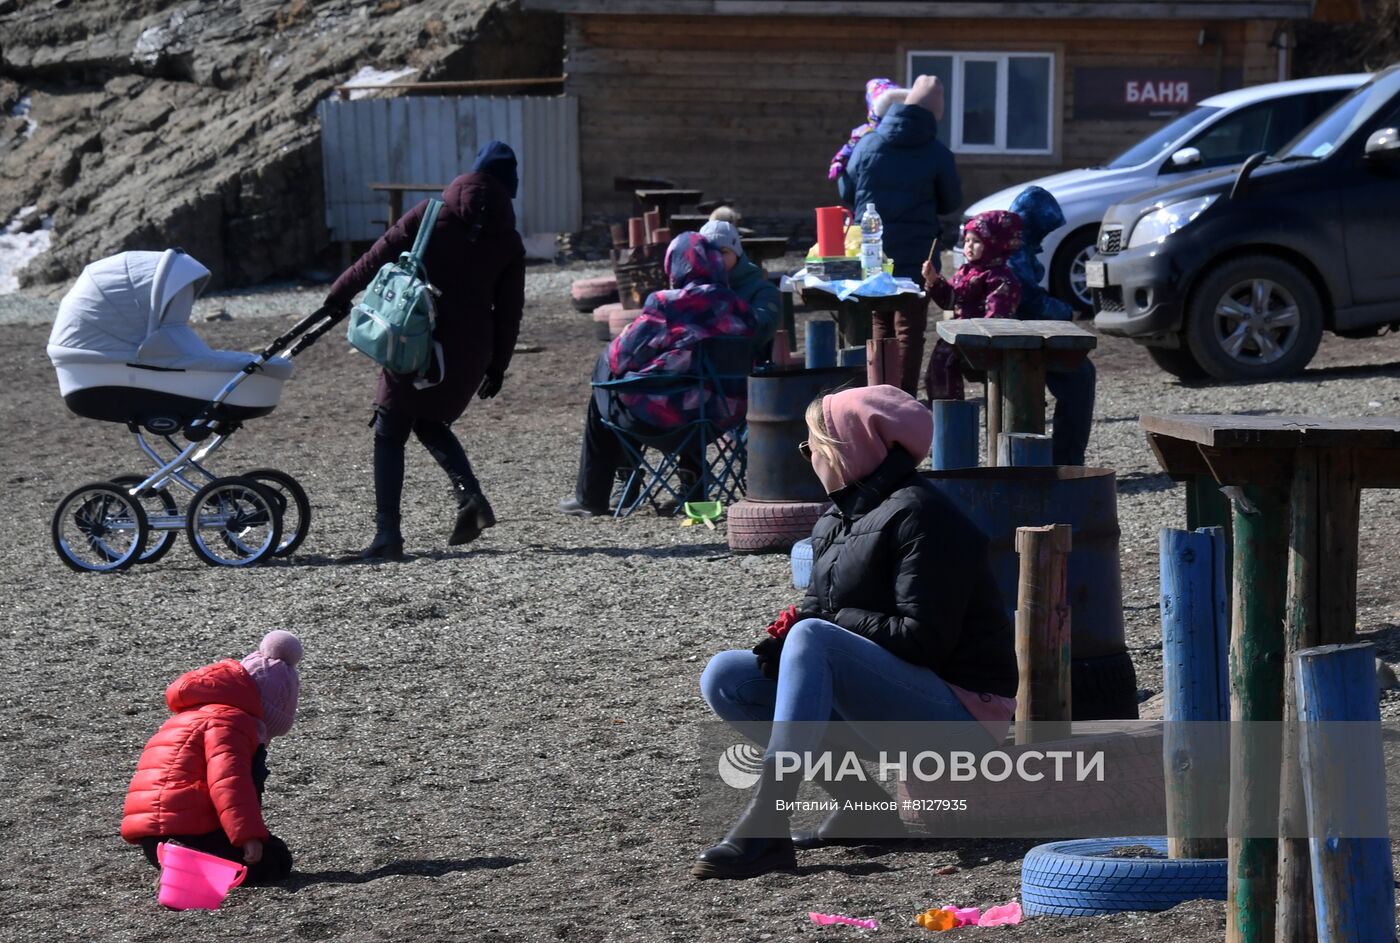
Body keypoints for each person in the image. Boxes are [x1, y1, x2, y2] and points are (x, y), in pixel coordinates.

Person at [695, 386, 1017, 879]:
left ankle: (767, 822)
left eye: (811, 445)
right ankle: (865, 808)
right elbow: (816, 611)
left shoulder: (925, 516)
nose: (807, 457)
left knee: (814, 638)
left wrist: (822, 627)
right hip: (894, 704)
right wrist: (782, 646)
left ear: (845, 448)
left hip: (964, 718)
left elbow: (922, 640)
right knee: (728, 676)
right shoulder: (836, 518)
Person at [317, 140, 526, 561]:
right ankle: (471, 499)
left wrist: (338, 294)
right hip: (469, 351)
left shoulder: (430, 214)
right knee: (429, 420)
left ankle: (387, 536)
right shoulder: (509, 240)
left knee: (390, 428)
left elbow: (375, 258)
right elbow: (509, 311)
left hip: (414, 339)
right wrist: (497, 366)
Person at [558, 232, 756, 517]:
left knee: (608, 380)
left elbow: (619, 357)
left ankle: (594, 495)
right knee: (693, 384)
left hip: (666, 422)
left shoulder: (668, 305)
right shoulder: (740, 308)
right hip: (723, 417)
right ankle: (693, 487)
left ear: (675, 265)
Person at [121, 631, 304, 885]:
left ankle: (181, 863)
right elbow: (230, 783)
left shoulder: (196, 712)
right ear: (259, 713)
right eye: (266, 731)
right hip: (184, 836)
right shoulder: (232, 722)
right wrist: (248, 837)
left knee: (267, 848)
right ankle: (189, 865)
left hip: (153, 839)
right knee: (275, 859)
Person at [842, 74, 961, 396]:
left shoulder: (868, 143)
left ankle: (879, 395)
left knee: (880, 320)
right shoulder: (937, 152)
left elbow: (846, 190)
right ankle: (904, 399)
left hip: (874, 251)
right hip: (917, 252)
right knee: (909, 328)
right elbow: (951, 202)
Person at [1006, 185, 1096, 466]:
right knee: (1080, 374)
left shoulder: (1014, 244)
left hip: (1019, 331)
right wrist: (1067, 311)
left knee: (1080, 372)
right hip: (1019, 338)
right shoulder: (1015, 252)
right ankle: (1067, 460)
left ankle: (1064, 456)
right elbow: (1032, 301)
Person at [921, 210, 1023, 401]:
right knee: (938, 369)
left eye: (976, 241)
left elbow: (996, 319)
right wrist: (933, 280)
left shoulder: (1000, 278)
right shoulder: (967, 271)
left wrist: (969, 334)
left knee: (947, 361)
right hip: (962, 337)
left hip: (984, 342)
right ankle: (945, 412)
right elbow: (950, 301)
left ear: (994, 243)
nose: (969, 246)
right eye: (967, 240)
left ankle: (952, 411)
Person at [697, 219, 779, 357]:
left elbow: (764, 327)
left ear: (737, 253)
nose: (716, 258)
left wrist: (724, 304)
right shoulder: (696, 286)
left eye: (723, 252)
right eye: (710, 253)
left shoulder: (762, 289)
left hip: (745, 364)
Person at [828, 78, 907, 183]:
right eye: (886, 104)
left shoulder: (907, 126)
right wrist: (839, 161)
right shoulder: (866, 131)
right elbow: (850, 146)